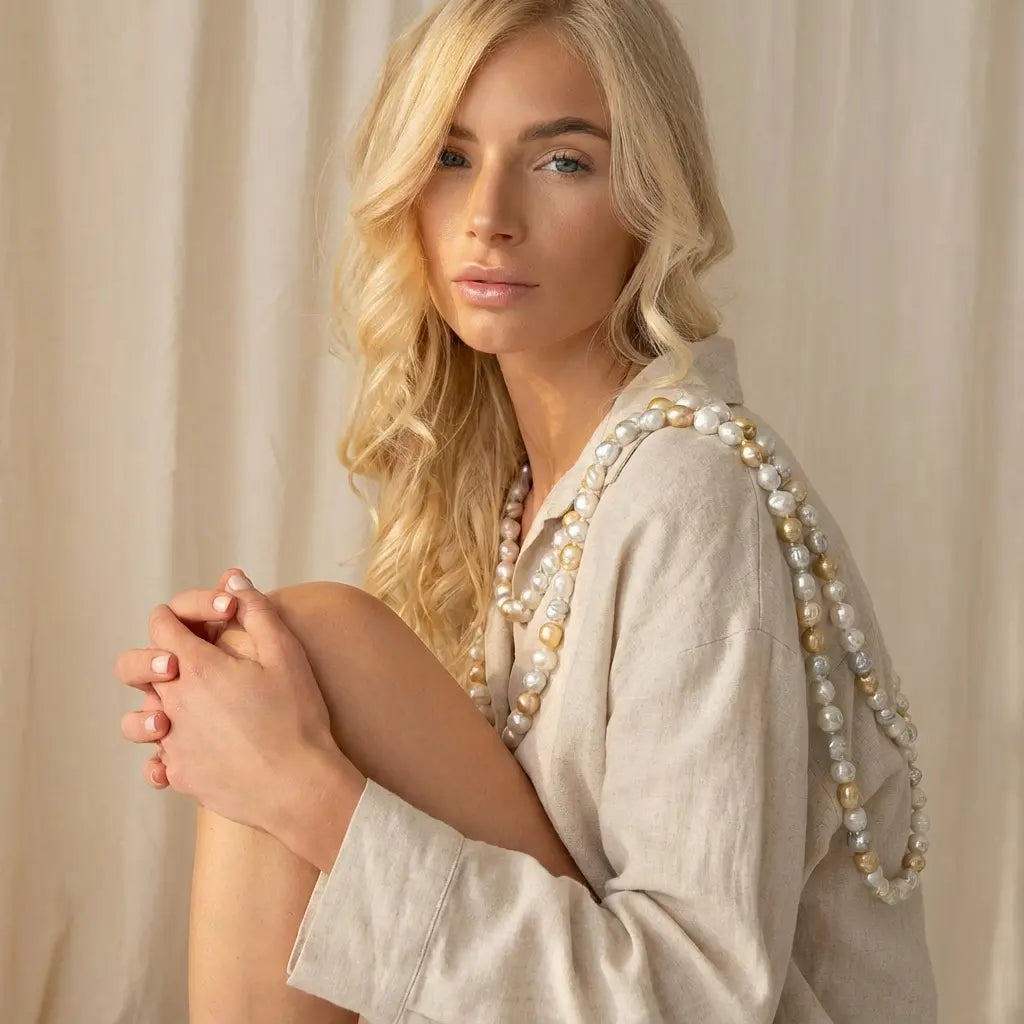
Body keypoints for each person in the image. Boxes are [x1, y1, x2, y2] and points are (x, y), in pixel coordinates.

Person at [115, 1, 939, 1021]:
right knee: (267, 652)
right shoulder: (512, 492)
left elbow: (694, 1000)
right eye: (452, 157)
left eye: (562, 163)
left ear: (648, 197)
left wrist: (300, 788)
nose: (488, 215)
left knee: (313, 648)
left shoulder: (691, 493)